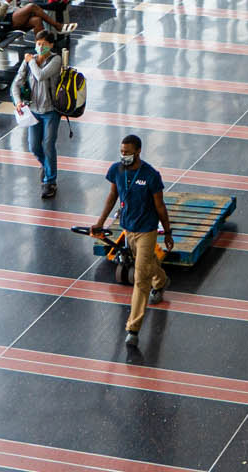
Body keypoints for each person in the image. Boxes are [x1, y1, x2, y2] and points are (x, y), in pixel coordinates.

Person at [90, 134, 175, 344]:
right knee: (146, 265)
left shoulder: (151, 175)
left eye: (127, 152)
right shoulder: (117, 170)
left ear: (138, 151)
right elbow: (112, 196)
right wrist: (100, 223)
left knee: (140, 277)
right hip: (128, 229)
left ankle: (133, 329)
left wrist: (168, 231)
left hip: (147, 230)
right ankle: (162, 281)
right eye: (122, 151)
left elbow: (160, 206)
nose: (124, 155)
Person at [11, 29, 67, 198]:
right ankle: (46, 165)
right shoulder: (29, 61)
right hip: (33, 111)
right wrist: (17, 101)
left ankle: (50, 181)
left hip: (51, 110)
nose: (40, 47)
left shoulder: (55, 60)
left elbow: (41, 75)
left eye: (44, 44)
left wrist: (30, 61)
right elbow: (15, 84)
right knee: (34, 146)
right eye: (38, 43)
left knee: (49, 144)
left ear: (51, 45)